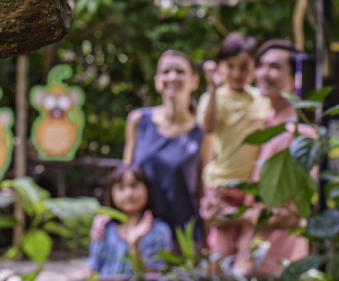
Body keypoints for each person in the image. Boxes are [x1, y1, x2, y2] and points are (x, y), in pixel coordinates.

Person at [93, 50, 204, 241]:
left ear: (194, 81)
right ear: (158, 81)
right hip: (142, 234)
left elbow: (203, 190)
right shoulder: (138, 121)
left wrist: (207, 238)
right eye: (167, 71)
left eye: (180, 71)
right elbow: (124, 178)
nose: (173, 77)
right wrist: (106, 216)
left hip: (183, 235)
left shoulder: (202, 131)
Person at [234, 39, 319, 277]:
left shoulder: (300, 136)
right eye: (260, 65)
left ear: (296, 78)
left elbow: (293, 213)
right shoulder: (264, 125)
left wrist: (230, 215)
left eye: (274, 67)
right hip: (250, 261)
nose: (263, 73)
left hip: (280, 265)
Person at [197, 33, 271, 266]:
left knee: (248, 255)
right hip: (223, 187)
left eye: (244, 67)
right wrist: (211, 87)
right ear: (220, 67)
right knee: (220, 251)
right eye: (230, 66)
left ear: (254, 68)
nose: (238, 73)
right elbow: (209, 126)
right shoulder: (215, 98)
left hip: (253, 190)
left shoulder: (262, 98)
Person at [86, 164, 173, 276]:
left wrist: (134, 246)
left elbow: (156, 275)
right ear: (111, 194)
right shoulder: (103, 229)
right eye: (121, 188)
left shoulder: (159, 232)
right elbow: (92, 270)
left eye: (134, 186)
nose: (129, 193)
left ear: (147, 189)